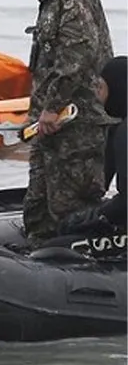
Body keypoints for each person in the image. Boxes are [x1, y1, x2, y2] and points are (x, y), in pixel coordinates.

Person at [12, 0, 113, 244]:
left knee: (72, 211)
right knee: (39, 210)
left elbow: (75, 57)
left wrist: (52, 108)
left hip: (76, 127)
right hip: (51, 128)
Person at [56, 55, 126, 237]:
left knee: (55, 247)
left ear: (118, 88)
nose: (97, 95)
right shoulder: (118, 128)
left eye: (100, 87)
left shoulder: (125, 132)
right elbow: (103, 181)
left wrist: (90, 218)